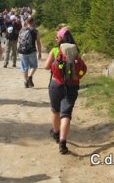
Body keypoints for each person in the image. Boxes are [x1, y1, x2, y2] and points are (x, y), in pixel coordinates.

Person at [43, 27, 87, 155]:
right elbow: (81, 68)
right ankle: (63, 142)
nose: (55, 38)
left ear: (61, 39)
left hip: (56, 85)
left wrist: (55, 65)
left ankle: (56, 133)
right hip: (72, 86)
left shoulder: (55, 50)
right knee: (66, 114)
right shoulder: (75, 50)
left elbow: (46, 67)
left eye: (57, 37)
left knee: (55, 111)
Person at [17, 16, 43, 88]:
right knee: (34, 66)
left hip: (23, 51)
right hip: (32, 51)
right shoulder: (35, 31)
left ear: (27, 22)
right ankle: (29, 77)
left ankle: (26, 81)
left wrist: (19, 49)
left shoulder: (22, 30)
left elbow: (19, 41)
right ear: (33, 22)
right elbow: (38, 43)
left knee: (24, 67)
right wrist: (39, 53)